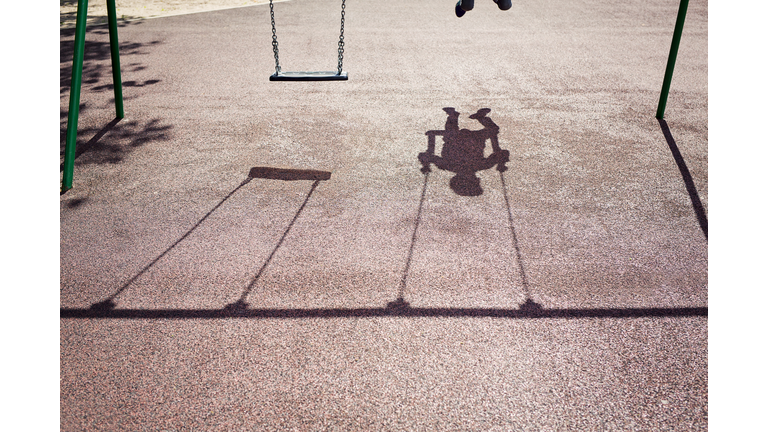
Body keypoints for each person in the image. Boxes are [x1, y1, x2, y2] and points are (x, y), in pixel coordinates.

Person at [419, 108, 509, 196]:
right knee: (452, 135)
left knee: (493, 129)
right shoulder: (447, 165)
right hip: (472, 138)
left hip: (469, 138)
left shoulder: (481, 165)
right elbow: (424, 156)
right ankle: (457, 116)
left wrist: (501, 162)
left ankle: (461, 116)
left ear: (475, 180)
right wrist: (426, 165)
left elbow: (504, 153)